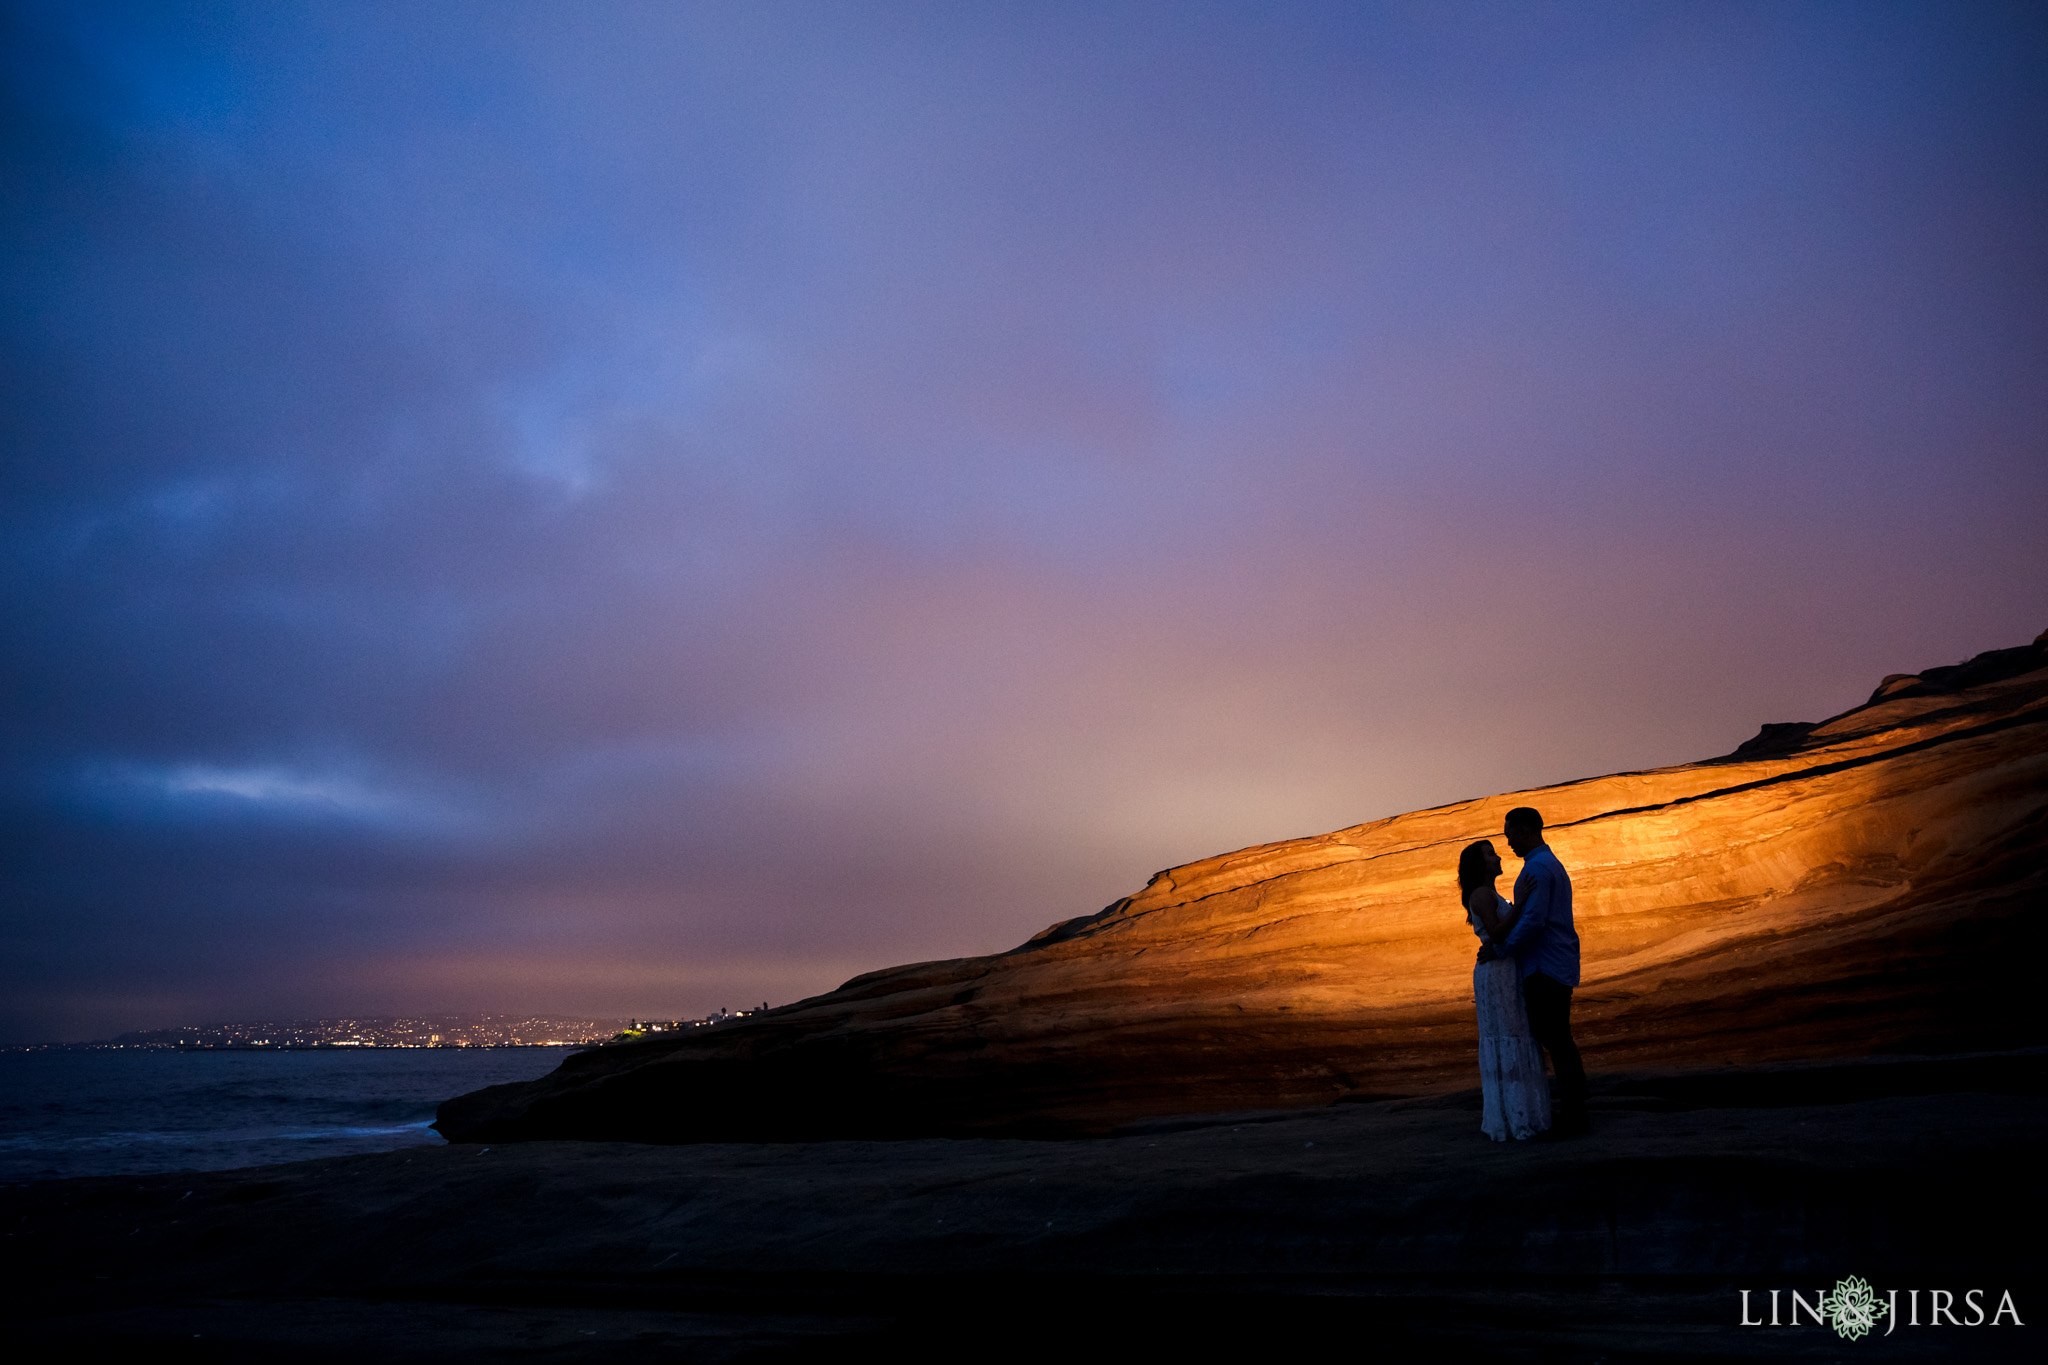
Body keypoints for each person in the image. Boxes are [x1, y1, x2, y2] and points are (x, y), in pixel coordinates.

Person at [1487, 806, 1588, 1136]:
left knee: (1556, 1039)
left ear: (1527, 830)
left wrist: (1501, 949)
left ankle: (1575, 1117)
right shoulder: (1544, 865)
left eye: (1511, 835)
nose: (1509, 843)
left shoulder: (1539, 870)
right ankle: (1573, 1112)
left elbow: (1534, 921)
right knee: (1557, 1039)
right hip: (1552, 961)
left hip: (1545, 963)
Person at [1459, 839, 1551, 1141]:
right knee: (1509, 1032)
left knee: (1516, 1031)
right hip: (1497, 969)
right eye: (1490, 854)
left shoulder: (1489, 892)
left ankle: (1520, 1113)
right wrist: (1521, 903)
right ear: (1479, 864)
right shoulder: (1482, 894)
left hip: (1504, 967)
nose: (1497, 857)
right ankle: (1516, 1117)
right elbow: (1497, 933)